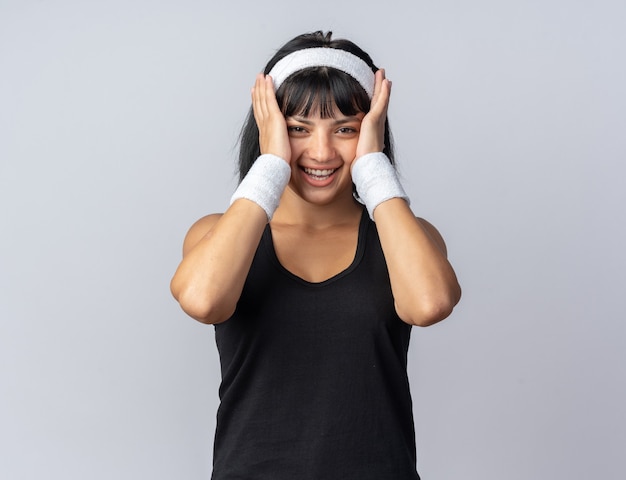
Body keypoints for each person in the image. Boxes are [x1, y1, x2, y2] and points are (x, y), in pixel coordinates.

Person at [171, 30, 461, 480]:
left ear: (371, 131)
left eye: (345, 129)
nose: (322, 152)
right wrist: (269, 166)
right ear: (269, 130)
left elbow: (429, 304)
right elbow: (203, 300)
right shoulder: (216, 234)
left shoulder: (405, 236)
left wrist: (374, 170)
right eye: (297, 129)